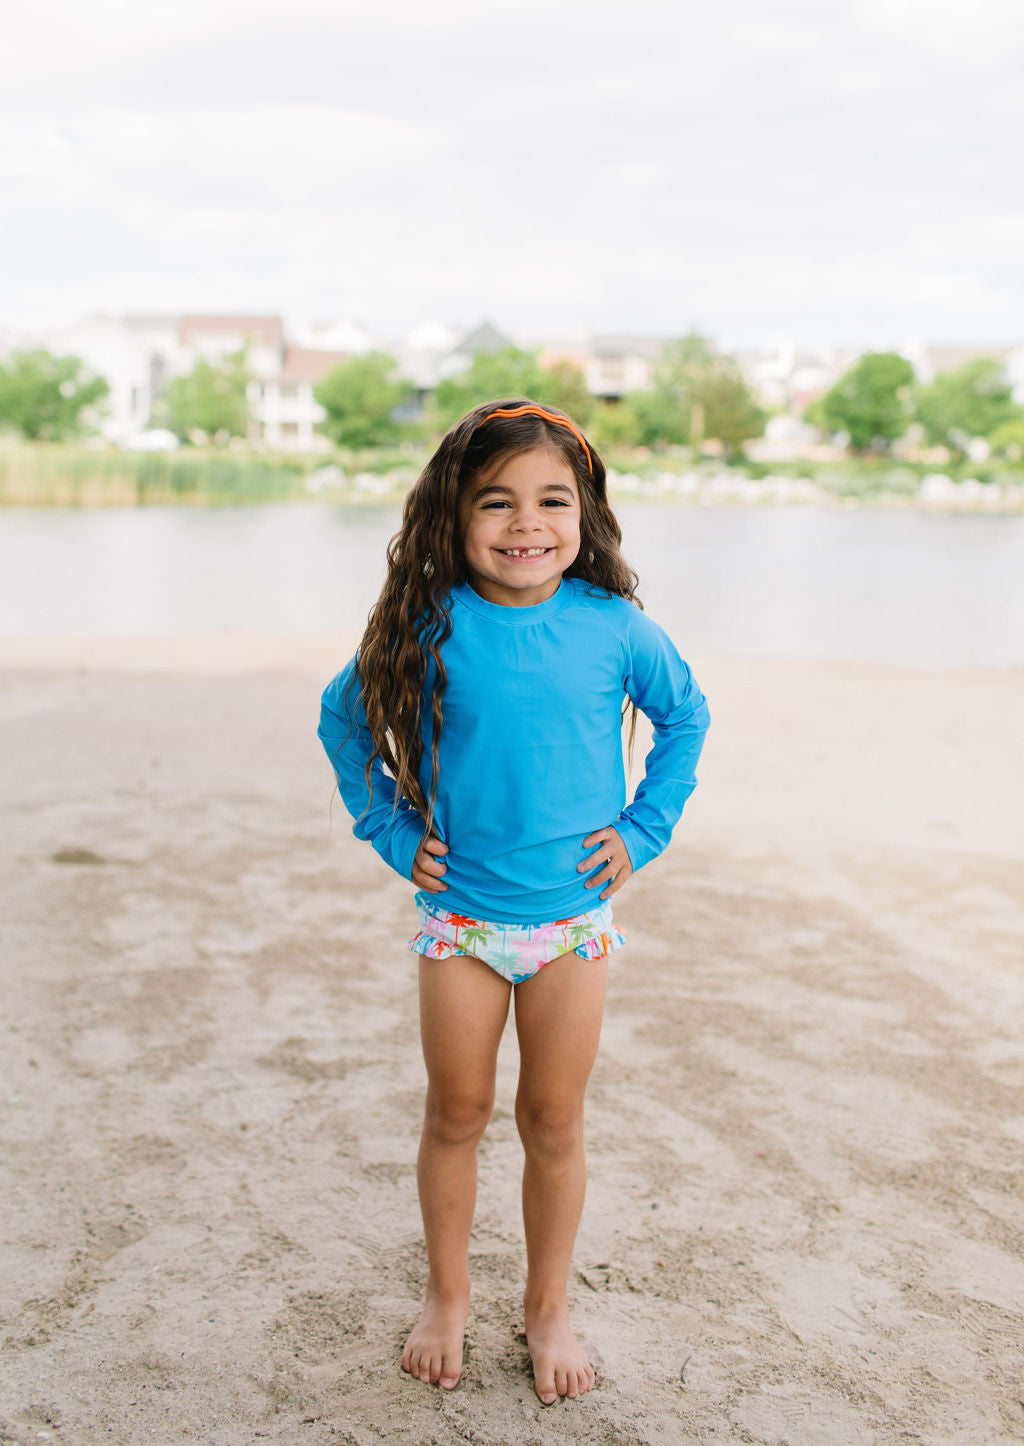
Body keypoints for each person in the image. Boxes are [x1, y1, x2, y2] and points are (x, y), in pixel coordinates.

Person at [318, 399, 709, 1405]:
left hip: (572, 928)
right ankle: (446, 1296)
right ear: (452, 517)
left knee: (553, 1118)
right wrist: (398, 835)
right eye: (495, 502)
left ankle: (547, 1307)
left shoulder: (613, 627)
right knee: (457, 1110)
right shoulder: (430, 622)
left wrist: (642, 828)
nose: (525, 522)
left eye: (550, 500)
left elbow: (685, 717)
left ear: (584, 514)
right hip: (463, 928)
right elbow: (343, 722)